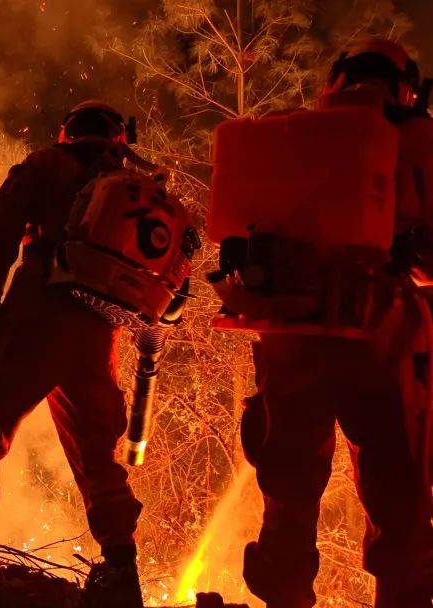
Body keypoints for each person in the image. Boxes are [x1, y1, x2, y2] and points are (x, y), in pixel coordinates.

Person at [239, 39, 433, 607]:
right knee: (399, 487)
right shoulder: (418, 137)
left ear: (337, 79)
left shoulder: (289, 133)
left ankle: (285, 593)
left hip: (292, 330)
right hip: (384, 330)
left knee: (289, 482)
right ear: (406, 87)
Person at [0, 101, 145, 608]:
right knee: (99, 456)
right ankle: (123, 573)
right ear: (118, 139)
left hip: (36, 312)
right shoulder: (130, 187)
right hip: (96, 333)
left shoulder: (45, 164)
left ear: (67, 134)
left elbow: (1, 228)